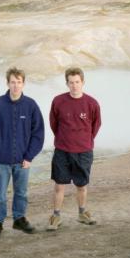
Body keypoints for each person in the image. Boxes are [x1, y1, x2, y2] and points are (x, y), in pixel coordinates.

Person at [0, 67, 45, 239]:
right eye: (12, 82)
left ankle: (19, 219)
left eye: (19, 82)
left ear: (23, 84)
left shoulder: (31, 106)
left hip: (22, 161)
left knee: (22, 192)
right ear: (7, 83)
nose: (16, 86)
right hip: (1, 160)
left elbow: (38, 134)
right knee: (0, 195)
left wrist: (29, 156)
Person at [47, 67, 101, 231]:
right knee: (59, 185)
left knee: (81, 185)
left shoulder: (92, 103)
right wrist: (64, 138)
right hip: (62, 150)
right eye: (71, 83)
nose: (74, 86)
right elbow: (53, 124)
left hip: (83, 150)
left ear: (82, 82)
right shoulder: (58, 101)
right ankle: (56, 216)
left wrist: (84, 140)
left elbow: (96, 125)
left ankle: (82, 213)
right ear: (67, 83)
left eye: (77, 82)